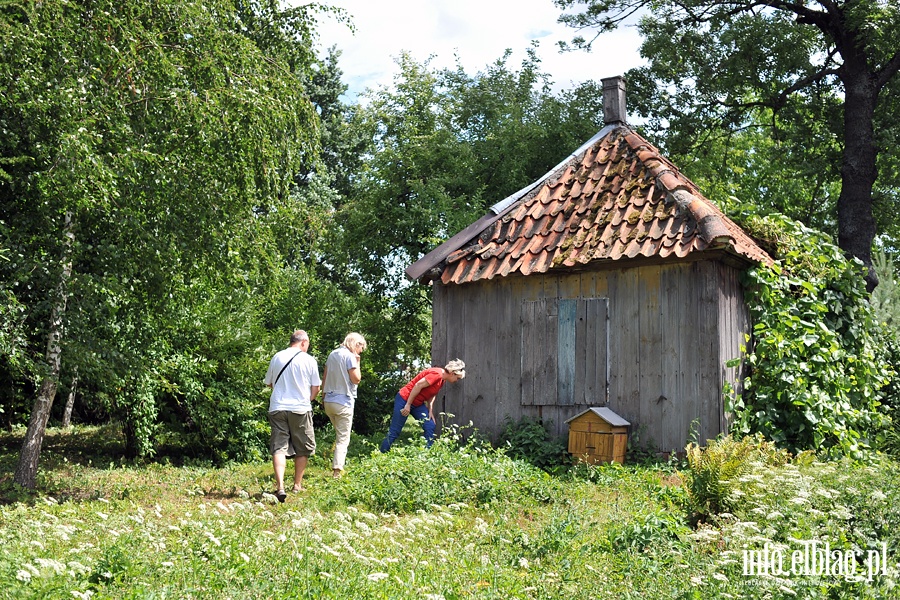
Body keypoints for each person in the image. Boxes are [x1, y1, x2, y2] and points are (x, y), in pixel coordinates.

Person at [264, 329, 320, 502]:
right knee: (302, 447)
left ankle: (280, 486)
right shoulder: (309, 360)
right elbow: (316, 388)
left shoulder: (277, 357)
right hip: (300, 408)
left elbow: (270, 383)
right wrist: (307, 400)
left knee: (279, 447)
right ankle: (297, 485)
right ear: (303, 342)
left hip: (278, 407)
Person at [379, 359, 465, 452]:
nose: (457, 381)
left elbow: (432, 394)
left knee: (430, 425)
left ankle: (426, 454)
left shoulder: (442, 379)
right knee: (395, 431)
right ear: (453, 373)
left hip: (417, 404)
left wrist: (430, 409)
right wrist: (408, 404)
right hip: (404, 399)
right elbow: (418, 385)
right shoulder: (437, 374)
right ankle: (382, 453)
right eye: (458, 378)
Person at [320, 332, 367, 479]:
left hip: (329, 401)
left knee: (339, 433)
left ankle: (335, 460)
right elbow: (356, 379)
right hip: (344, 402)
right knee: (343, 438)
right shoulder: (350, 357)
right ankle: (337, 471)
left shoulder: (332, 354)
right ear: (356, 344)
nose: (361, 351)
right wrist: (358, 363)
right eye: (361, 348)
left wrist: (323, 397)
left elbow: (325, 377)